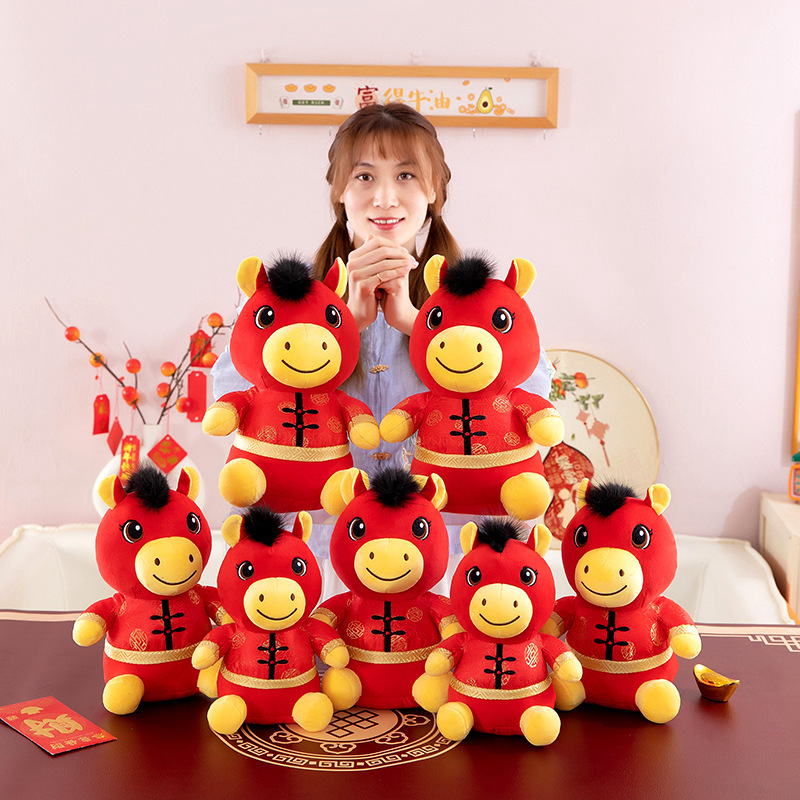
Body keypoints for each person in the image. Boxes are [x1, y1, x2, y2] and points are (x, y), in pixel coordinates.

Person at [211, 103, 553, 551]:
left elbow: (532, 405)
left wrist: (419, 325)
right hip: (312, 541)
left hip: (448, 541)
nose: (385, 198)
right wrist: (339, 325)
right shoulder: (281, 298)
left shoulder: (486, 302)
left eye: (406, 175)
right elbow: (234, 403)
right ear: (339, 191)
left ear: (434, 189)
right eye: (364, 176)